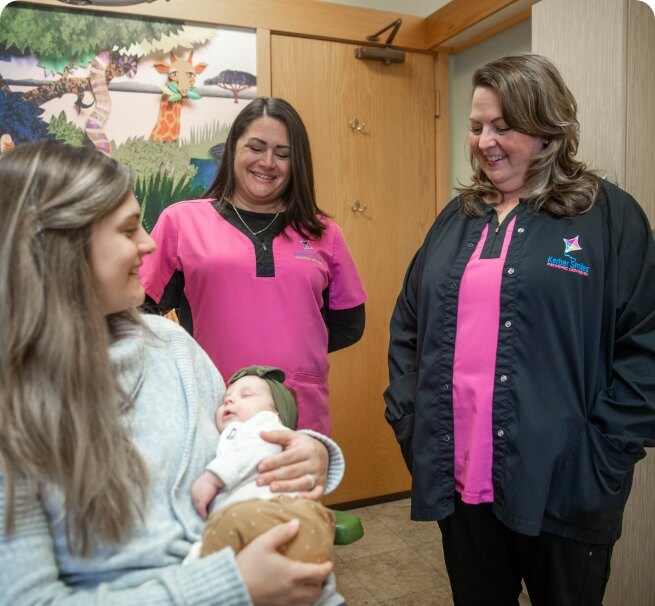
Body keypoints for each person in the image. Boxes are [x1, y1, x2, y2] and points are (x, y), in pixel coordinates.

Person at [0, 139, 346, 605]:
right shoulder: (13, 408)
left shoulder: (172, 346)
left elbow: (236, 436)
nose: (148, 243)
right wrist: (230, 587)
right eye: (128, 230)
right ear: (60, 247)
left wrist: (306, 454)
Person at [384, 53, 655, 606]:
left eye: (504, 126)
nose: (485, 140)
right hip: (460, 481)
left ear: (547, 129)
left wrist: (603, 452)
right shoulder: (456, 218)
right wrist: (410, 417)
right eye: (478, 125)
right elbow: (409, 322)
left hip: (566, 483)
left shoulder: (607, 217)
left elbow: (646, 341)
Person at [140, 96, 367, 435]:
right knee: (211, 489)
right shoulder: (181, 222)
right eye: (256, 148)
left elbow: (349, 325)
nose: (268, 162)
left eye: (282, 154)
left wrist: (293, 355)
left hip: (298, 414)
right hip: (214, 409)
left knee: (291, 490)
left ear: (297, 164)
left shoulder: (323, 233)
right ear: (232, 150)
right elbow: (141, 312)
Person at [189, 366, 338, 606]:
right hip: (277, 519)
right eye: (228, 396)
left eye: (245, 395)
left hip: (271, 510)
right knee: (303, 581)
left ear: (276, 413)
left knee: (220, 533)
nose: (229, 398)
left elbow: (254, 449)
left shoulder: (263, 426)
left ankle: (196, 565)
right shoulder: (234, 434)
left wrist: (213, 477)